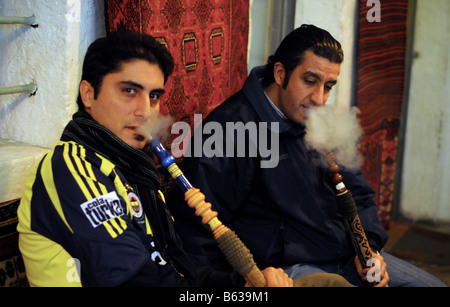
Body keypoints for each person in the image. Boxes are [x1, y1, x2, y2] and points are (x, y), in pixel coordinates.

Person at [167, 24, 447, 287]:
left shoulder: (314, 118)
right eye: (310, 81)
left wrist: (369, 250)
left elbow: (358, 194)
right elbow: (197, 226)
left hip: (347, 255)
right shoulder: (230, 131)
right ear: (280, 74)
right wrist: (236, 284)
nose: (319, 99)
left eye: (328, 86)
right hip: (289, 267)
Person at [16, 31, 296, 287]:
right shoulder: (71, 169)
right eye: (129, 91)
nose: (145, 111)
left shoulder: (136, 169)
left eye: (153, 96)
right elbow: (139, 282)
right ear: (88, 94)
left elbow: (175, 265)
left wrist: (244, 286)